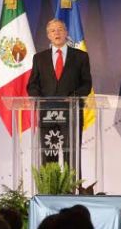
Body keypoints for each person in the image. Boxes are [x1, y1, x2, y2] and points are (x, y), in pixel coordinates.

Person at [27, 19, 92, 164]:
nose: (56, 33)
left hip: (71, 114)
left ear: (66, 33)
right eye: (52, 30)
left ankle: (71, 188)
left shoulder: (80, 57)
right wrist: (40, 99)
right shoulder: (39, 58)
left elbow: (86, 85)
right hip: (47, 116)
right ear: (48, 35)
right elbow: (32, 85)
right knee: (48, 159)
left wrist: (71, 99)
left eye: (60, 29)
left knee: (72, 159)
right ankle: (50, 188)